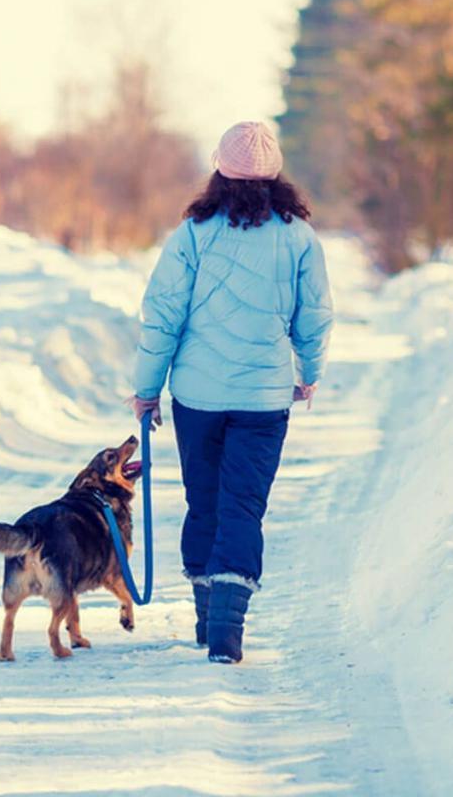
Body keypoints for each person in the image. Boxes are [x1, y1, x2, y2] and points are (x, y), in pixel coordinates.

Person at [128, 121, 333, 664]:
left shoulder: (194, 233)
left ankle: (205, 615)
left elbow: (163, 317)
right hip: (264, 399)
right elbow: (313, 315)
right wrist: (308, 370)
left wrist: (146, 390)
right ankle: (225, 632)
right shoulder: (298, 237)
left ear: (219, 170)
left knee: (205, 502)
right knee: (242, 507)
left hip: (196, 396)